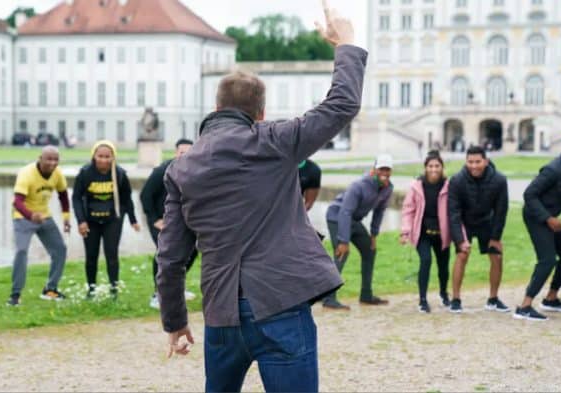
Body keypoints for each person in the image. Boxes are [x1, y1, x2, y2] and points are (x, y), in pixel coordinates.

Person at [156, 2, 363, 390]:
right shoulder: (274, 141)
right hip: (279, 302)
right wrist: (346, 44)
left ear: (215, 108)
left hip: (221, 313)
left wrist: (176, 321)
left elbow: (170, 257)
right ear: (261, 113)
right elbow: (341, 105)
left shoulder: (180, 168)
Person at [514, 131, 561, 321]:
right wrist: (548, 219)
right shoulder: (553, 169)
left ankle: (551, 298)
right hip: (536, 216)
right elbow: (529, 194)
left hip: (550, 217)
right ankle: (524, 306)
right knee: (547, 260)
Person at [324, 154, 394, 310]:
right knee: (342, 253)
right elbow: (345, 212)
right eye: (381, 168)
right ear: (374, 170)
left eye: (387, 169)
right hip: (337, 216)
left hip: (354, 221)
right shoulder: (359, 185)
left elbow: (380, 211)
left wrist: (374, 235)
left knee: (370, 250)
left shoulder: (388, 188)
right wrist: (343, 240)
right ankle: (329, 298)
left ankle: (366, 295)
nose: (384, 172)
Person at [72, 140, 140, 299]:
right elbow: (76, 198)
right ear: (94, 156)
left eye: (107, 156)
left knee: (112, 255)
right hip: (90, 221)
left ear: (113, 157)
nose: (103, 160)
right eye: (100, 156)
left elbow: (126, 199)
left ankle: (114, 289)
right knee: (91, 256)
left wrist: (133, 220)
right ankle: (91, 289)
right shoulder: (85, 173)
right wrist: (81, 221)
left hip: (112, 220)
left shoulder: (120, 174)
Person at [448, 146, 509, 314]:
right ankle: (455, 299)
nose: (474, 166)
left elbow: (501, 211)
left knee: (496, 255)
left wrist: (495, 238)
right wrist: (460, 240)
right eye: (470, 162)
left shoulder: (499, 180)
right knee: (462, 255)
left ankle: (493, 299)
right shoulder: (456, 180)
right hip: (465, 222)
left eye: (478, 162)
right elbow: (453, 213)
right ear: (466, 162)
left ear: (486, 161)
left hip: (486, 221)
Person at [7, 146, 71, 306]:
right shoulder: (27, 173)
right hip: (23, 216)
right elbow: (17, 201)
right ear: (40, 158)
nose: (52, 162)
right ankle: (15, 295)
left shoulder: (57, 173)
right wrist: (30, 216)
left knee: (60, 249)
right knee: (21, 251)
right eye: (49, 159)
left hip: (44, 216)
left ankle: (50, 289)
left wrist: (66, 218)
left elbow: (63, 195)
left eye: (56, 159)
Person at [140, 138, 197, 309]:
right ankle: (158, 294)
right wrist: (155, 219)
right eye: (182, 153)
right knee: (164, 254)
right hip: (161, 221)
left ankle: (176, 288)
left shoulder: (197, 171)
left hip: (185, 221)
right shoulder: (163, 170)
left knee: (191, 252)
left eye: (189, 153)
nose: (185, 156)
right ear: (176, 153)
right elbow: (145, 195)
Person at [400, 151, 451, 313]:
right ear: (425, 168)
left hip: (442, 233)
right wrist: (405, 231)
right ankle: (422, 299)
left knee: (443, 266)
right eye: (430, 166)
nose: (434, 169)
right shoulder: (416, 186)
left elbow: (455, 210)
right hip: (422, 233)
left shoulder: (449, 186)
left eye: (437, 166)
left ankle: (443, 294)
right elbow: (408, 209)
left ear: (442, 167)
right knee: (426, 260)